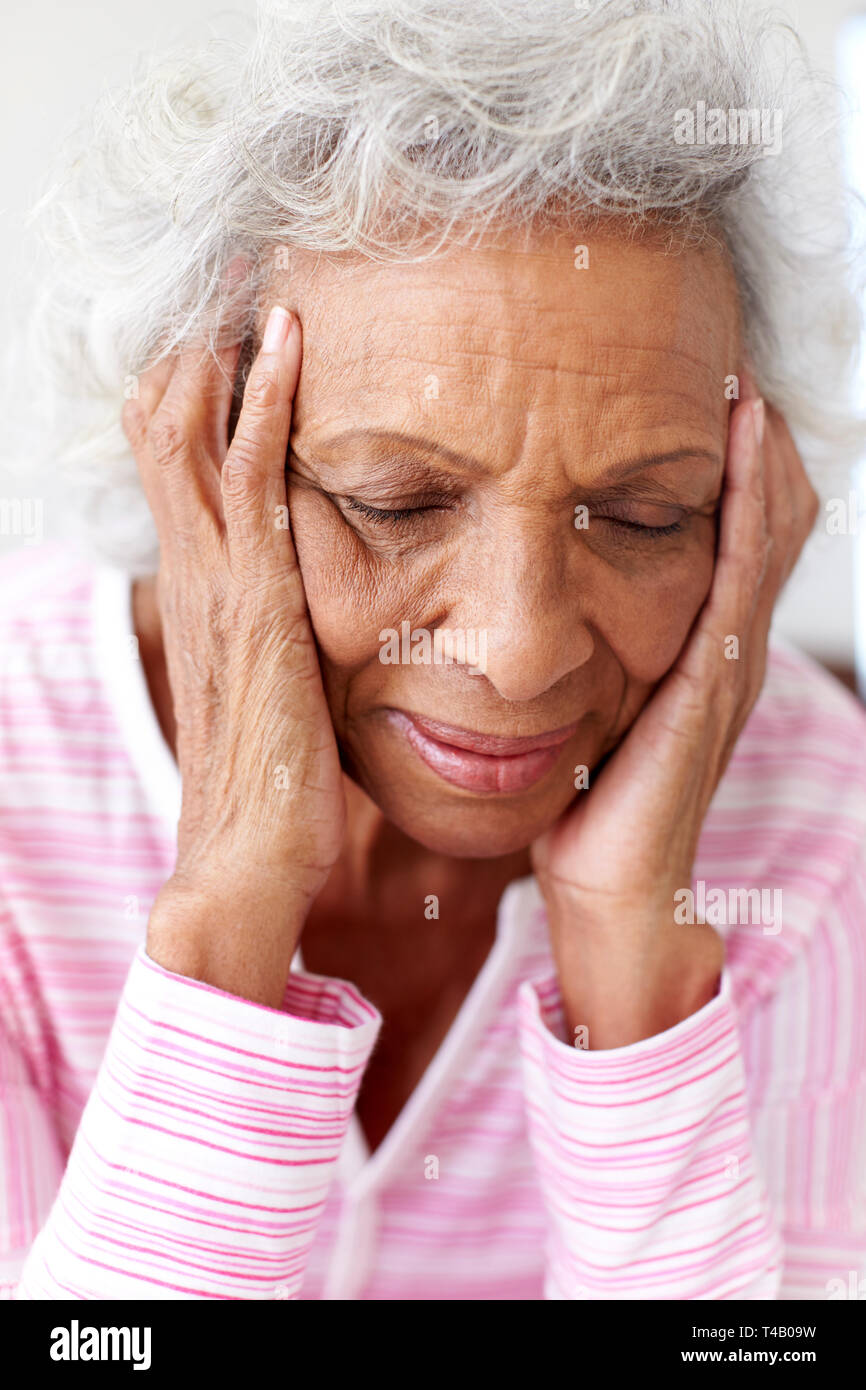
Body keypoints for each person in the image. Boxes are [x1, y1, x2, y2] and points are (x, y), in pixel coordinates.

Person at [2, 0, 865, 1300]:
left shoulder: (814, 828)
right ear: (198, 448)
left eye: (642, 516)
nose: (519, 653)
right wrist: (232, 903)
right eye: (396, 503)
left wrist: (638, 974)